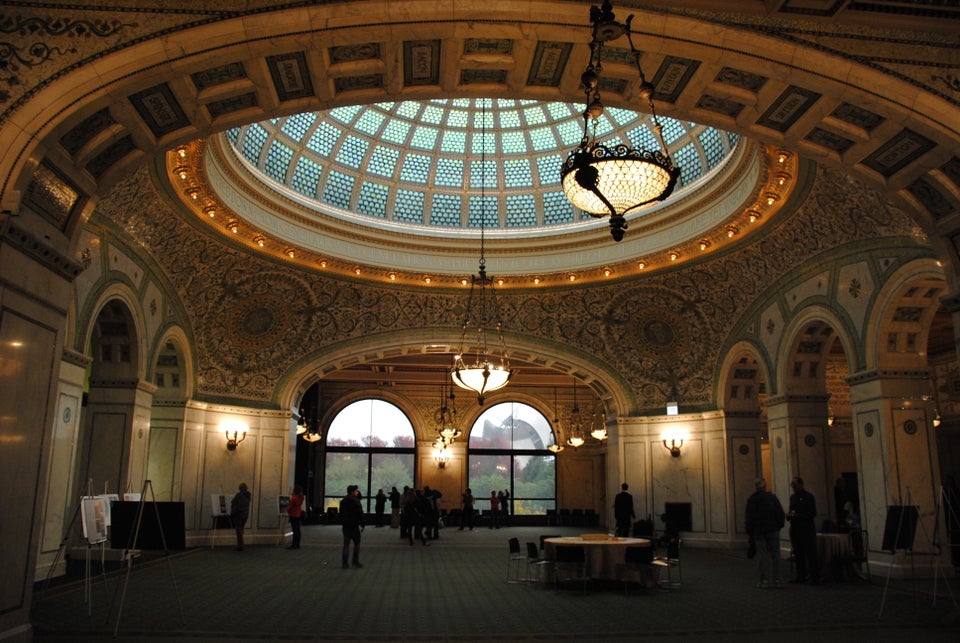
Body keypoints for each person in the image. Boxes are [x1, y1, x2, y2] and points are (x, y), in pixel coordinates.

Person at [744, 478, 785, 588]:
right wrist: (778, 526)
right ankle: (778, 580)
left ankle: (764, 581)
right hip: (772, 529)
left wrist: (749, 532)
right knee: (775, 555)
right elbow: (780, 514)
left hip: (758, 531)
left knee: (761, 556)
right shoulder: (772, 498)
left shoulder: (751, 500)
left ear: (756, 487)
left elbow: (749, 518)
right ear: (765, 486)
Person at [787, 476, 819, 584]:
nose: (793, 487)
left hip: (807, 530)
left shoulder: (809, 497)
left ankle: (814, 577)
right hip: (795, 530)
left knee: (810, 554)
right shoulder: (792, 498)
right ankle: (801, 576)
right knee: (798, 554)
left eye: (795, 485)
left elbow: (812, 513)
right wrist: (789, 516)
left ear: (801, 484)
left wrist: (796, 516)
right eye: (792, 485)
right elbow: (791, 511)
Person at [339, 485, 365, 568]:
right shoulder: (356, 501)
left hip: (346, 525)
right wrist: (363, 524)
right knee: (356, 543)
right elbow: (360, 513)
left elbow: (341, 514)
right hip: (354, 525)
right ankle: (355, 561)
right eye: (356, 491)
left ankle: (345, 563)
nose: (357, 492)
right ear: (352, 492)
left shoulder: (343, 501)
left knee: (346, 544)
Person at [230, 482, 251, 551]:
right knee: (241, 529)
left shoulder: (239, 495)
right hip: (245, 515)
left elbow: (233, 502)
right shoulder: (248, 495)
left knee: (238, 530)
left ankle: (240, 545)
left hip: (239, 514)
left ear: (240, 489)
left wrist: (233, 511)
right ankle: (241, 544)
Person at [286, 484, 305, 549]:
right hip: (299, 514)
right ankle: (297, 544)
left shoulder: (293, 498)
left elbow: (290, 506)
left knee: (294, 530)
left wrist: (287, 510)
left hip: (293, 514)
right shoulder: (301, 497)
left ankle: (294, 545)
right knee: (298, 530)